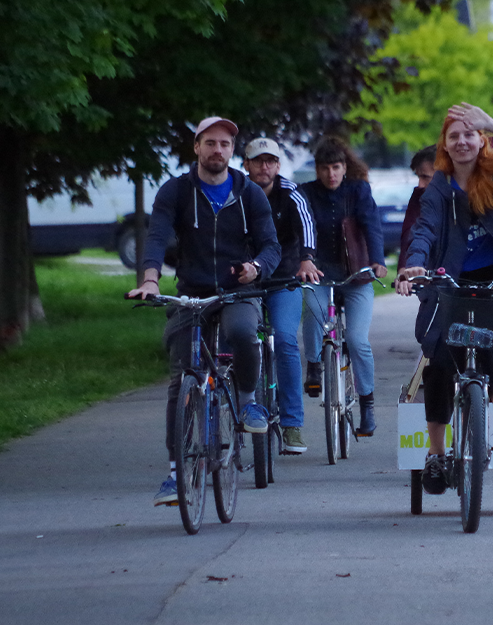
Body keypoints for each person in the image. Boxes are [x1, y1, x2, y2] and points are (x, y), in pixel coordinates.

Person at [129, 117, 281, 506]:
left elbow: (271, 246)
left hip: (237, 291)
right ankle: (175, 474)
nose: (218, 150)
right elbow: (157, 236)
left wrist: (256, 268)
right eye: (210, 143)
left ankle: (246, 400)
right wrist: (150, 280)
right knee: (181, 379)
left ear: (233, 151)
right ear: (196, 147)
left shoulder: (249, 194)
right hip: (192, 293)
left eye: (225, 144)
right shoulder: (176, 191)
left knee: (244, 333)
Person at [396, 103, 493, 495]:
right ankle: (436, 454)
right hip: (452, 278)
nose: (462, 142)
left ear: (480, 141)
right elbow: (425, 229)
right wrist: (414, 264)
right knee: (440, 358)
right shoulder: (439, 187)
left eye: (469, 135)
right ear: (444, 145)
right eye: (454, 136)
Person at [299, 136, 388, 437]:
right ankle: (314, 365)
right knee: (313, 313)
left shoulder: (358, 190)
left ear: (345, 167)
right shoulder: (306, 193)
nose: (331, 174)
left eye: (336, 167)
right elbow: (299, 230)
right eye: (325, 168)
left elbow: (372, 225)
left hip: (356, 276)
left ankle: (367, 406)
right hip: (320, 273)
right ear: (317, 170)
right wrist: (303, 262)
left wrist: (377, 261)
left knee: (357, 340)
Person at [244, 137, 322, 454]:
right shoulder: (236, 192)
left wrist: (307, 259)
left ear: (277, 166)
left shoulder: (291, 192)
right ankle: (235, 410)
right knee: (239, 341)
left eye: (270, 161)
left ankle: (292, 425)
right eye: (258, 161)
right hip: (245, 281)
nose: (264, 167)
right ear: (246, 164)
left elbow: (307, 224)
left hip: (284, 277)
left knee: (286, 340)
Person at [398, 144, 436, 260]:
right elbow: (409, 234)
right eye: (418, 177)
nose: (420, 184)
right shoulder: (418, 195)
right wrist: (404, 266)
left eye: (425, 177)